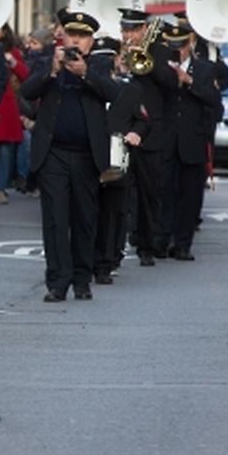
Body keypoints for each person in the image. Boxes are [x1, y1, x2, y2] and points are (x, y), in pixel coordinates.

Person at [20, 8, 112, 302]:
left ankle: (82, 279)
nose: (76, 41)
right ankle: (57, 281)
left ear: (91, 42)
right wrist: (53, 71)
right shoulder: (50, 62)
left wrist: (85, 74)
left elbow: (116, 94)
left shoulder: (100, 65)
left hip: (86, 155)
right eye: (72, 35)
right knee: (56, 219)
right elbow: (27, 91)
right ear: (63, 37)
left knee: (85, 219)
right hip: (53, 154)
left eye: (83, 37)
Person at [117, 9, 178, 266]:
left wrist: (146, 60)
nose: (128, 35)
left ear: (144, 29)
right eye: (125, 30)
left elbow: (170, 83)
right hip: (123, 129)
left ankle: (146, 245)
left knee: (149, 191)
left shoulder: (160, 51)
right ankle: (122, 241)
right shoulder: (117, 51)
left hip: (151, 131)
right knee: (121, 191)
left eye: (133, 30)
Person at [160, 21, 222, 260]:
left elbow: (214, 102)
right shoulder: (159, 68)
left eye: (182, 45)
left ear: (191, 43)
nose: (178, 50)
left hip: (192, 141)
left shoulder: (205, 70)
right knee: (164, 192)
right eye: (173, 45)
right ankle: (162, 240)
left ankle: (183, 244)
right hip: (166, 141)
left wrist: (190, 82)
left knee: (190, 196)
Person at [93, 38, 146, 284]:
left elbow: (143, 119)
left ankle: (109, 259)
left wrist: (136, 133)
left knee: (115, 212)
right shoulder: (87, 87)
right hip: (90, 158)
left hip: (118, 159)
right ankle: (90, 258)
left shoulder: (130, 89)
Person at [0, 26, 30, 204]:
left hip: (5, 103)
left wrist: (12, 61)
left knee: (4, 149)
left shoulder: (11, 52)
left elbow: (25, 74)